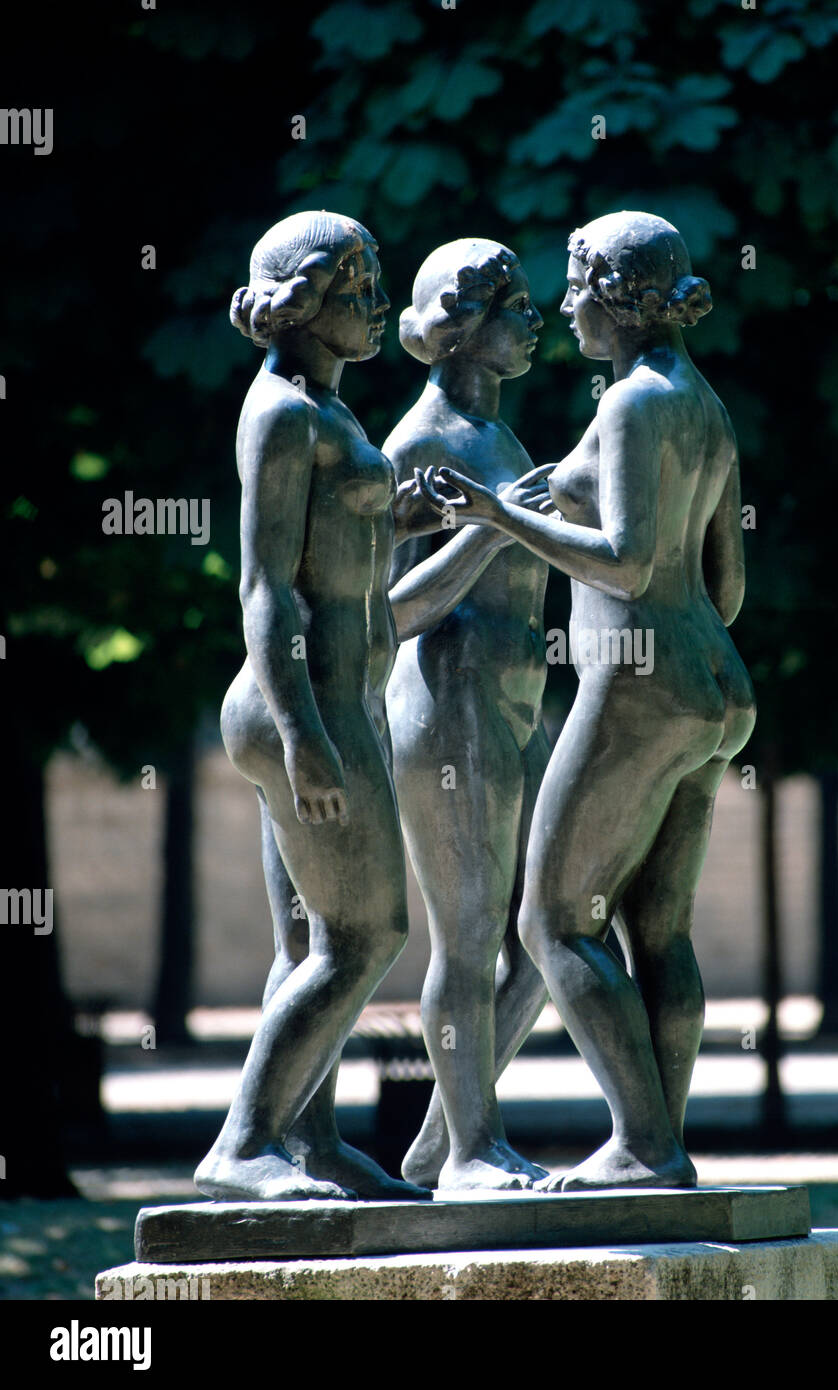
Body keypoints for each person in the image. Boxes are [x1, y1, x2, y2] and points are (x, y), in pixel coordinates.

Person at [424, 212, 756, 1190]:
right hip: (716, 685)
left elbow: (626, 560)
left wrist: (494, 517)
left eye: (574, 287)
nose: (563, 307)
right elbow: (724, 584)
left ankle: (644, 1147)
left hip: (641, 690)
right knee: (657, 927)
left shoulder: (630, 407)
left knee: (553, 921)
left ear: (613, 296)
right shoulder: (700, 401)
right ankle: (662, 1145)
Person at [196, 210, 429, 1201]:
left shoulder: (322, 410)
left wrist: (427, 511)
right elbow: (265, 587)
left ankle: (314, 1144)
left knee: (305, 945)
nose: (378, 304)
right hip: (305, 711)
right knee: (367, 934)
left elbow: (342, 556)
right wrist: (304, 737)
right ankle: (243, 1145)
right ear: (301, 304)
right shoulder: (285, 414)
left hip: (329, 707)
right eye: (357, 288)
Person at [385, 240, 556, 1190]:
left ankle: (443, 1136)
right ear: (463, 323)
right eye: (514, 306)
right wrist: (492, 527)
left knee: (559, 924)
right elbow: (393, 612)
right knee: (470, 932)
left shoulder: (506, 443)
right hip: (447, 707)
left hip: (515, 704)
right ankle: (470, 1152)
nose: (534, 321)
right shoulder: (416, 444)